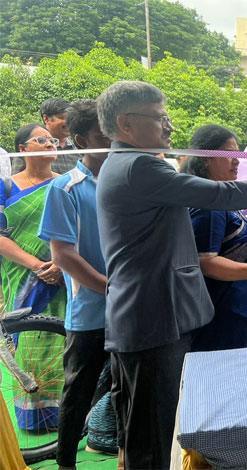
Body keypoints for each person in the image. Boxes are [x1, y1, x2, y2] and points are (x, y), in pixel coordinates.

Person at [95, 81, 247, 469]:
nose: (168, 127)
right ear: (125, 124)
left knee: (154, 430)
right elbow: (222, 196)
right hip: (152, 319)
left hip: (155, 317)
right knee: (151, 436)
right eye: (159, 118)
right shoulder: (139, 167)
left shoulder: (131, 165)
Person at [36, 99, 118, 468]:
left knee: (126, 389)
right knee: (78, 393)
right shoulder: (66, 188)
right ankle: (66, 462)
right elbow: (64, 255)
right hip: (91, 311)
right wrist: (110, 288)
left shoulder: (128, 183)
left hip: (130, 308)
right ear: (83, 139)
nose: (112, 141)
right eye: (104, 134)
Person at [180, 125, 247, 351]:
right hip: (225, 310)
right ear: (205, 160)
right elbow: (206, 262)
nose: (237, 160)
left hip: (240, 303)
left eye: (238, 153)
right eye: (229, 154)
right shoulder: (208, 206)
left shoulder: (221, 198)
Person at [0, 123, 66, 431]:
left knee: (61, 342)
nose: (51, 143)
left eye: (53, 140)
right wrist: (38, 265)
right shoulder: (7, 187)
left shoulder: (65, 183)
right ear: (23, 149)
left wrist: (61, 263)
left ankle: (66, 416)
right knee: (28, 343)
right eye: (42, 140)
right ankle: (35, 418)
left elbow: (76, 228)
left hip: (64, 274)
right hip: (24, 274)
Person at [13, 98, 78, 175]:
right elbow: (16, 182)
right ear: (46, 119)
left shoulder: (79, 150)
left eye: (71, 118)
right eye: (62, 117)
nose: (68, 122)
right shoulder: (31, 149)